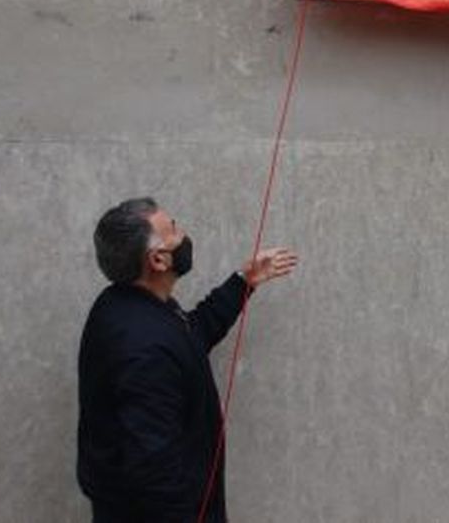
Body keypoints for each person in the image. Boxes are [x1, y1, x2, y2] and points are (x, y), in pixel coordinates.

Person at [77, 197, 299, 522]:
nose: (183, 234)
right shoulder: (143, 350)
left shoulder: (127, 306)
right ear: (158, 260)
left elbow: (187, 338)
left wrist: (243, 282)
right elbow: (154, 474)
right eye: (174, 230)